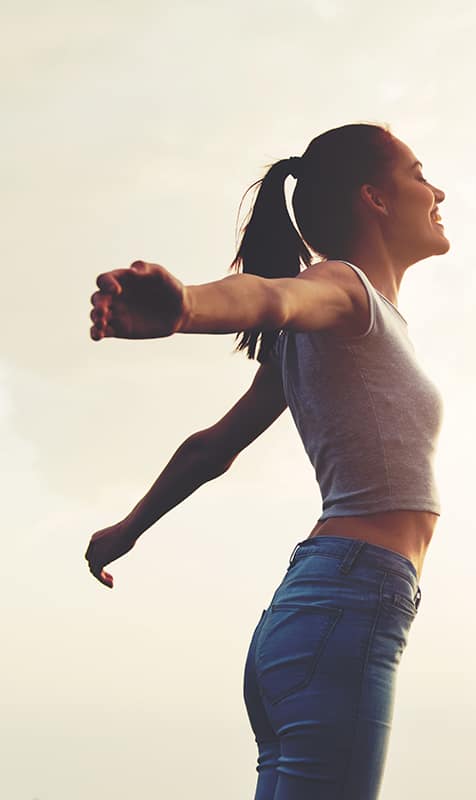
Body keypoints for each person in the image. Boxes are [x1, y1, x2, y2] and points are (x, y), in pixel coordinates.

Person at [83, 121, 450, 799]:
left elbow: (214, 446)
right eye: (419, 173)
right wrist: (187, 306)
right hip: (347, 604)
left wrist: (127, 529)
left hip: (312, 618)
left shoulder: (342, 324)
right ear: (373, 198)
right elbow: (273, 296)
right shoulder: (342, 291)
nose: (438, 191)